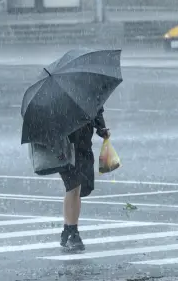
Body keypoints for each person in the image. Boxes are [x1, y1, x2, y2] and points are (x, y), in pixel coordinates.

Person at [59, 107, 110, 251]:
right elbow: (95, 107)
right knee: (73, 186)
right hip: (65, 148)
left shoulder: (83, 93)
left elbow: (96, 108)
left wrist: (101, 129)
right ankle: (72, 232)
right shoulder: (75, 94)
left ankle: (68, 230)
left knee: (77, 188)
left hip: (83, 146)